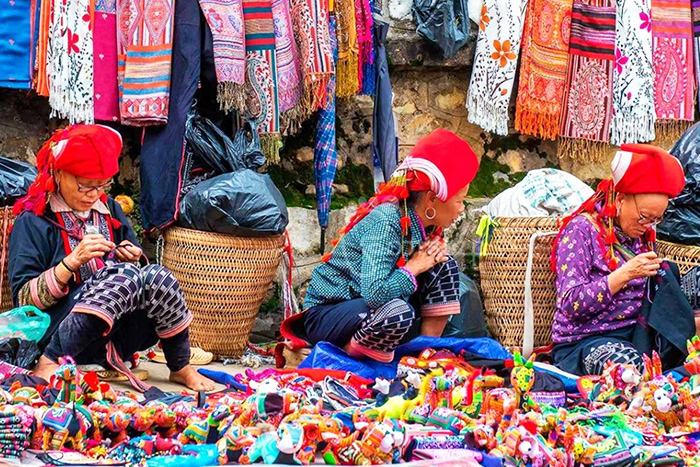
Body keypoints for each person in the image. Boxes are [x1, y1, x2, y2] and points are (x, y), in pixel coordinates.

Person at [8, 124, 215, 391]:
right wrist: (71, 263)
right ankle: (50, 362)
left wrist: (135, 258)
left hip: (117, 336)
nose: (94, 195)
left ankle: (180, 366)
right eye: (85, 186)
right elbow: (23, 302)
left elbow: (139, 277)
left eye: (101, 185)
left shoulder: (109, 210)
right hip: (57, 333)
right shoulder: (34, 221)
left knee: (157, 276)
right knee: (122, 277)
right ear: (58, 174)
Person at [280, 129, 480, 362]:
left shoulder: (425, 227)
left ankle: (425, 356)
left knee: (444, 267)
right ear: (432, 199)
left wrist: (429, 260)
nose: (462, 208)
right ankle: (345, 358)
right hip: (331, 315)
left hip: (374, 314)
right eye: (460, 200)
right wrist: (414, 267)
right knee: (396, 312)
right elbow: (375, 294)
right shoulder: (387, 220)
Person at [551, 144, 694, 376]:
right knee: (628, 371)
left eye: (656, 220)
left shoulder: (642, 237)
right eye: (644, 217)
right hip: (587, 342)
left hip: (638, 337)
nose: (647, 226)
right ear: (620, 200)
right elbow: (571, 303)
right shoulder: (581, 231)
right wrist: (626, 273)